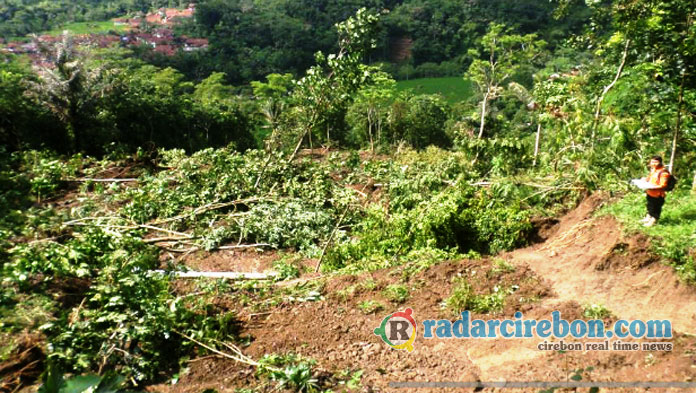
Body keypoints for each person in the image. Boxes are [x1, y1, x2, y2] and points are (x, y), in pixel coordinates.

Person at [640, 155, 670, 227]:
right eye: (652, 162)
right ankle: (648, 218)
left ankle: (653, 221)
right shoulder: (653, 170)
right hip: (650, 192)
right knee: (650, 206)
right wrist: (644, 180)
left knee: (656, 208)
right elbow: (649, 178)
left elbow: (663, 185)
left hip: (658, 194)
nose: (653, 164)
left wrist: (653, 187)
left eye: (655, 162)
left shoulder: (663, 172)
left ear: (660, 162)